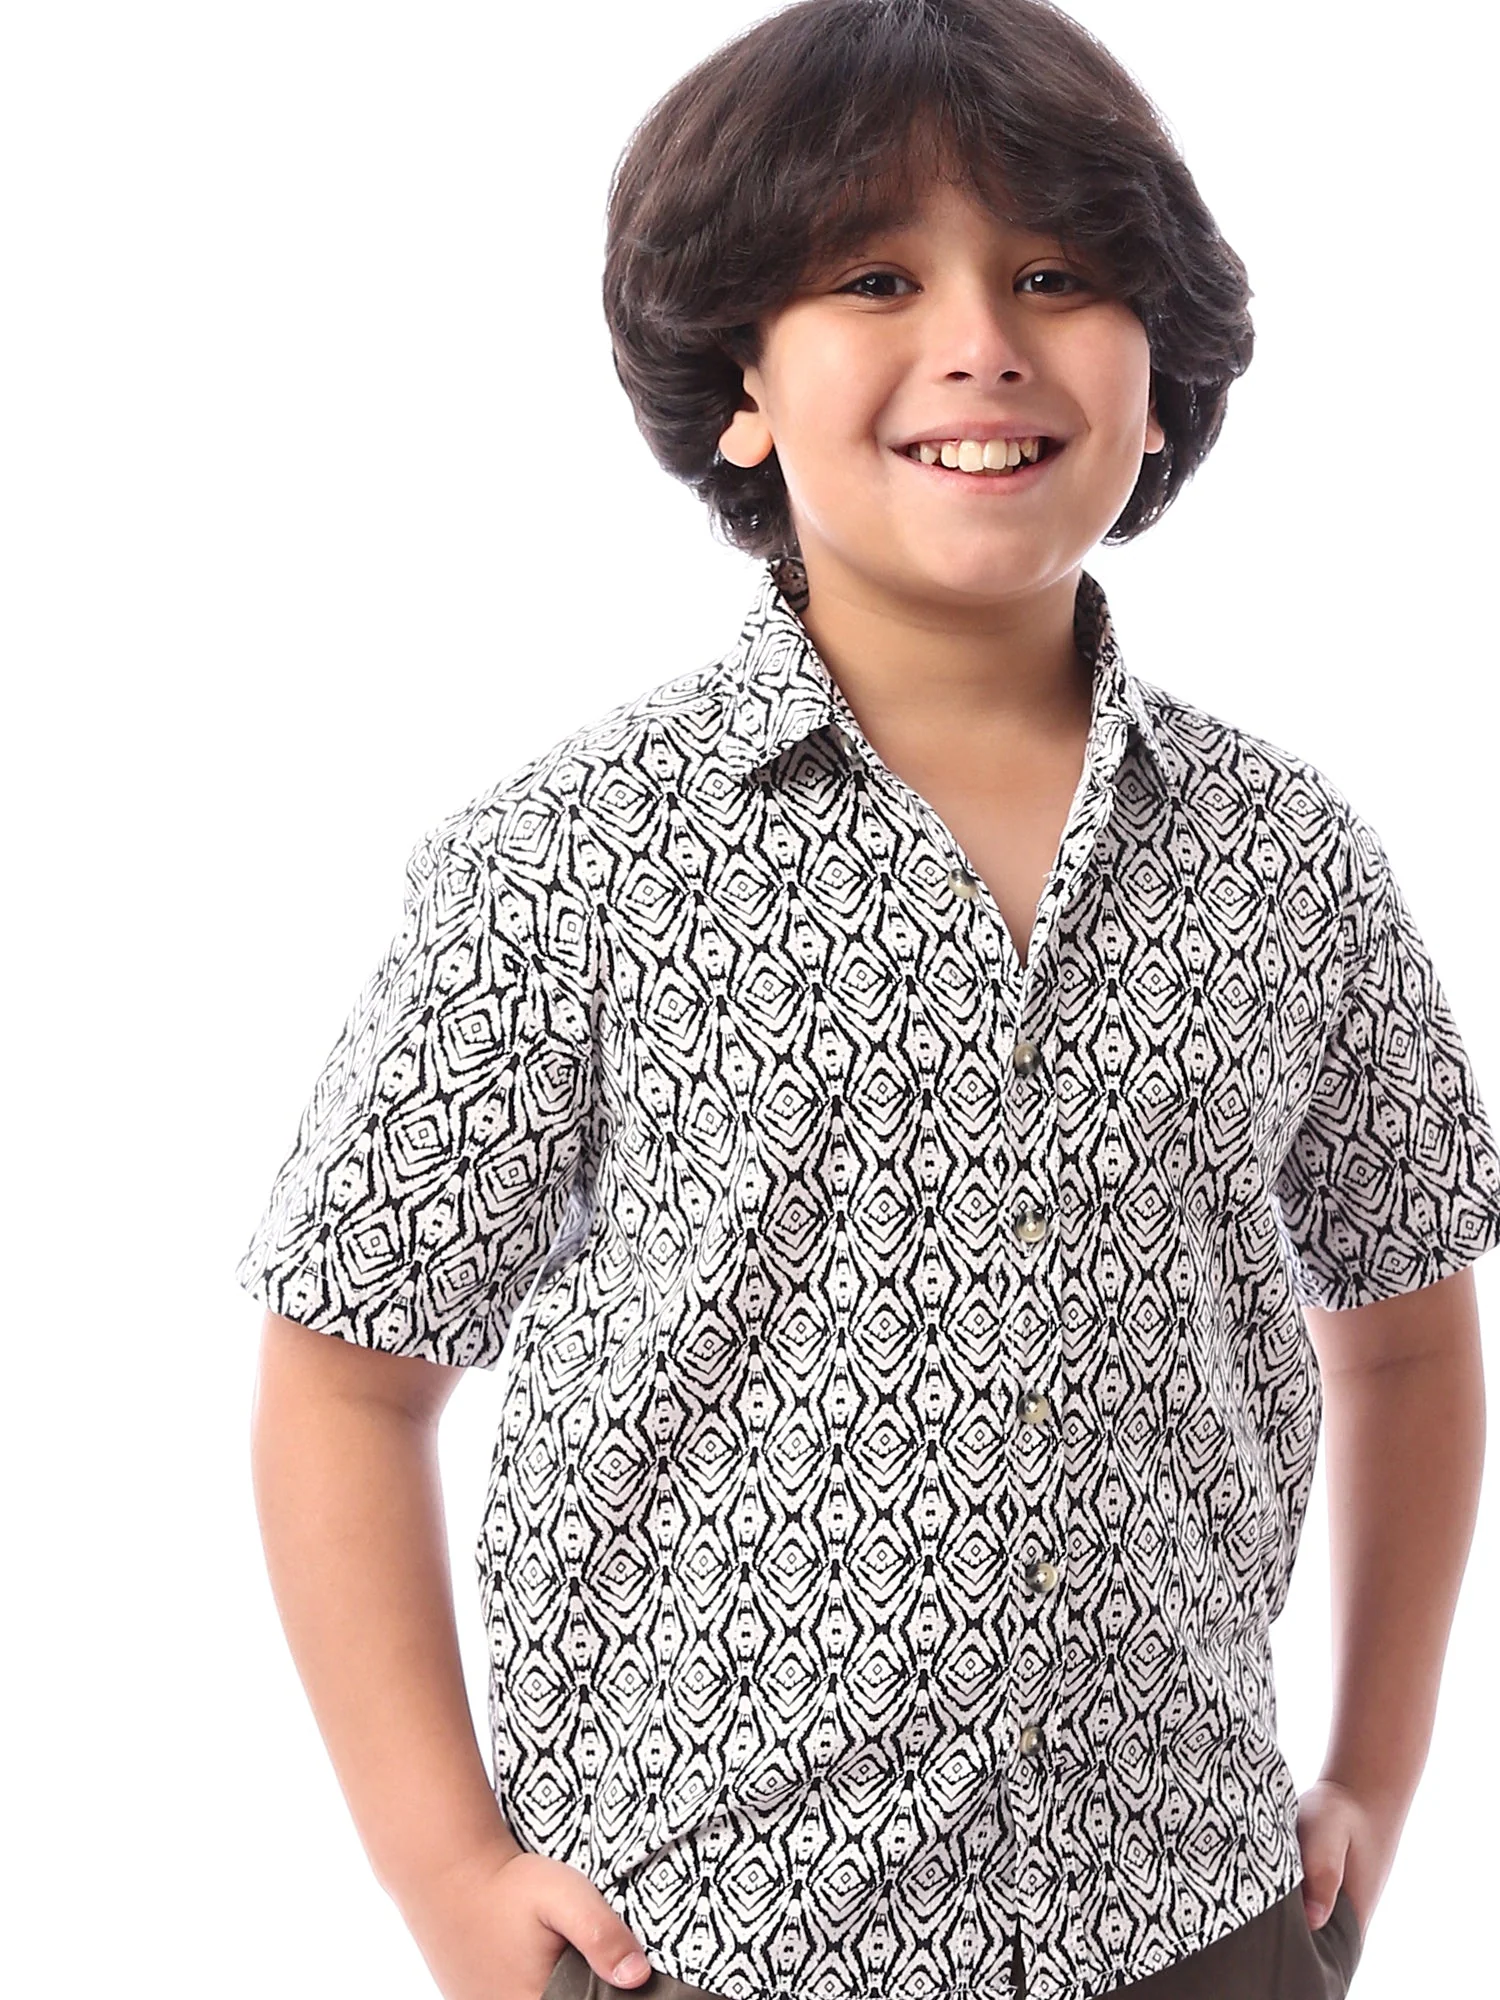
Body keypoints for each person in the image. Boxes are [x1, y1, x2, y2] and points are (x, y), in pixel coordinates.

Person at [235, 4, 1500, 1997]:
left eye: (1057, 275)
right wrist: (448, 1875)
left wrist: (1375, 1773)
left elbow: (1410, 1336)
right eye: (877, 279)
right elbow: (343, 1374)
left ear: (1158, 371)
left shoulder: (1290, 857)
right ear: (743, 378)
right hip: (704, 1931)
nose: (982, 340)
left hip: (1191, 1912)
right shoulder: (572, 856)